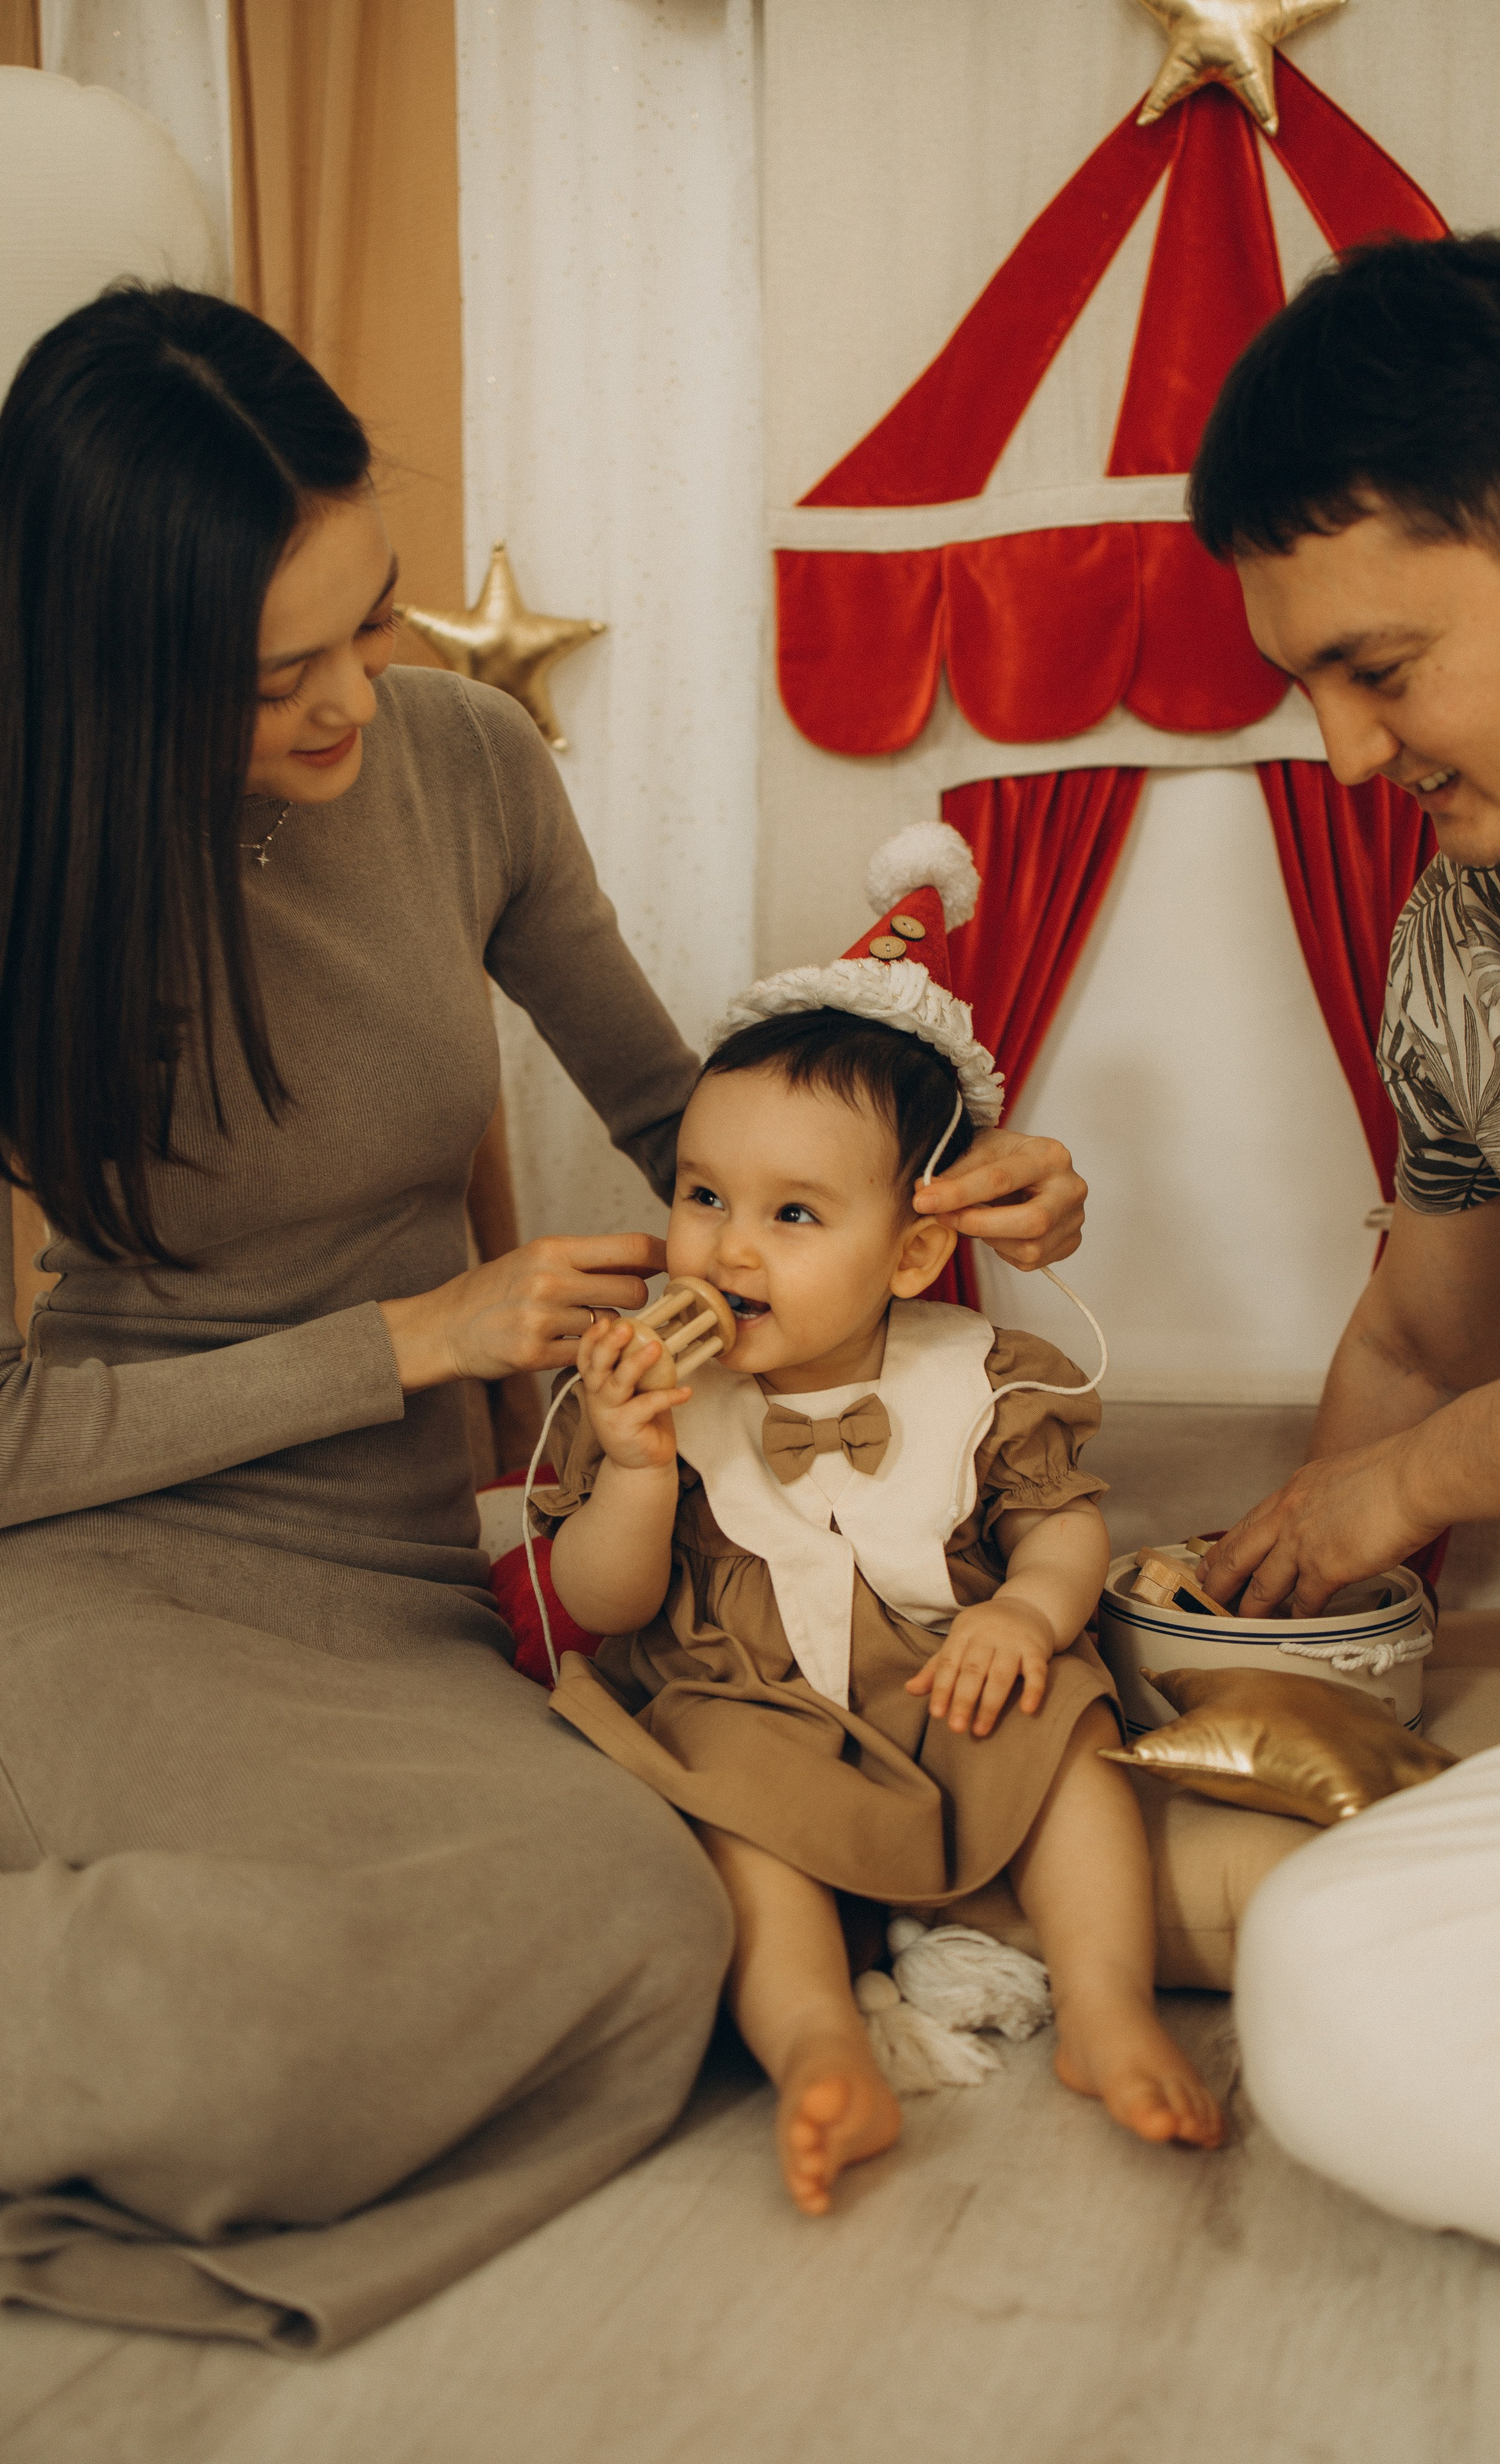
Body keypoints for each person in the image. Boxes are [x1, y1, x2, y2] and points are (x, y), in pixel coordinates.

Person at [0, 285, 1089, 2352]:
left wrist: (942, 1177)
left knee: (629, 1934)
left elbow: (692, 1120)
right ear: (107, 673)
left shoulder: (464, 761)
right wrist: (421, 1338)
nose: (348, 703)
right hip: (104, 1563)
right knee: (289, 2025)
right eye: (267, 679)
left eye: (372, 623)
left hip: (401, 1574)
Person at [1187, 232, 1500, 2286]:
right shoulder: (1456, 942)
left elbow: (1433, 1452)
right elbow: (1424, 1333)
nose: (1351, 753)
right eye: (1310, 689)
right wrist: (1275, 1604)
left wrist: (1405, 1490)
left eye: (1383, 667)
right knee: (1336, 1975)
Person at [541, 868, 1225, 2218]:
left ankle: (1103, 2005)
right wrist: (629, 1472)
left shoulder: (978, 1373)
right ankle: (816, 2047)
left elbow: (1063, 1532)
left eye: (793, 1216)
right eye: (701, 1196)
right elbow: (601, 1603)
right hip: (753, 1708)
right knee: (735, 1817)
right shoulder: (643, 1398)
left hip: (945, 1678)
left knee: (1069, 1728)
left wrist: (1023, 1617)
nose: (728, 1248)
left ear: (911, 1257)